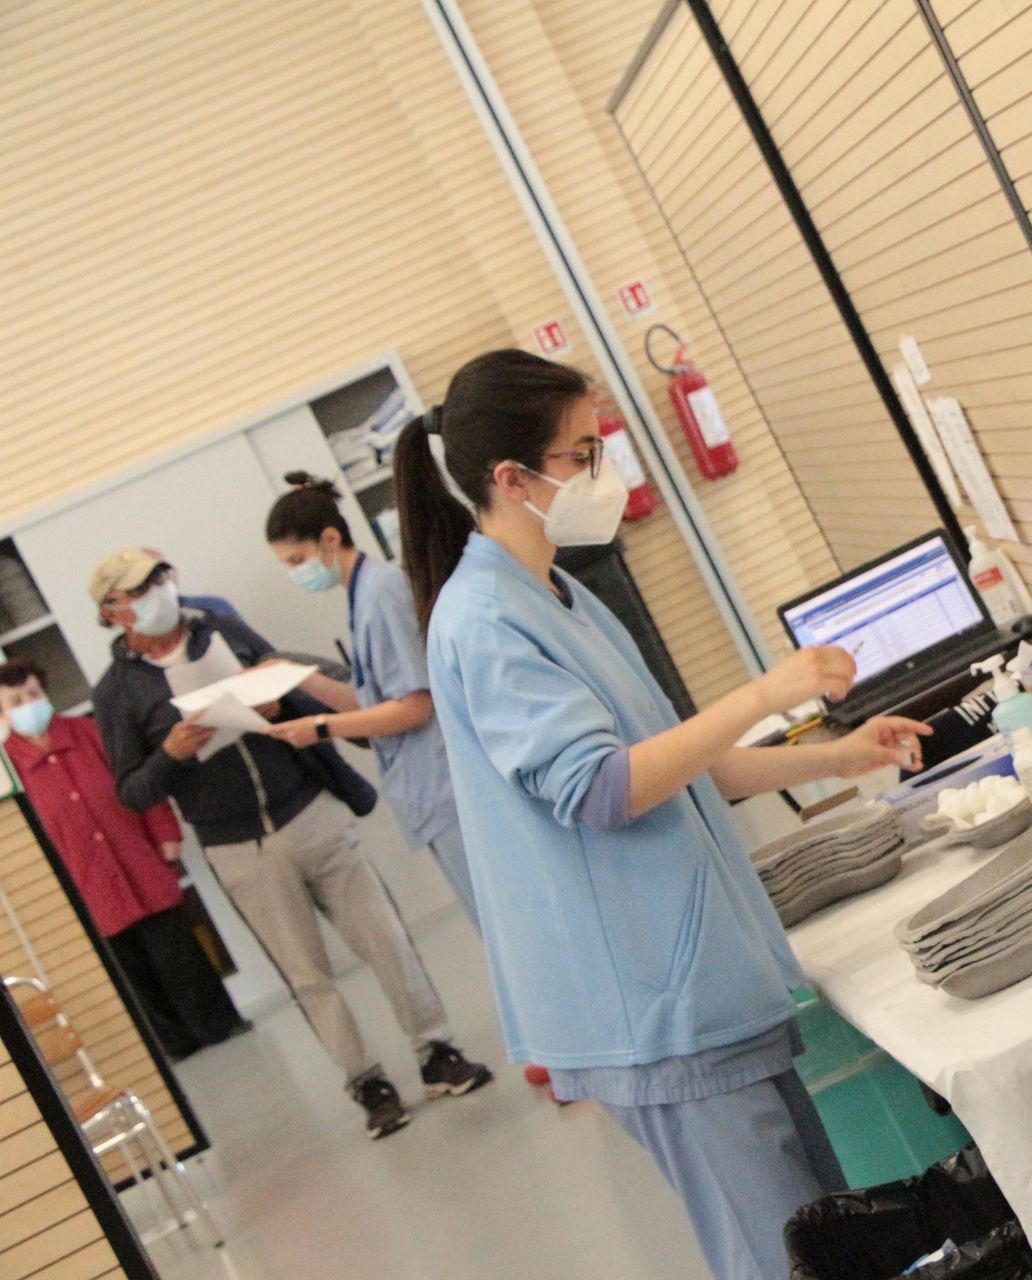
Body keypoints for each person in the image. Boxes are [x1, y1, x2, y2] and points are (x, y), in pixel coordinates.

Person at [392, 349, 933, 1280]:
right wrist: (762, 692)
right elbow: (605, 789)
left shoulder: (560, 595)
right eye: (582, 455)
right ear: (511, 479)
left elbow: (676, 765)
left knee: (826, 1245)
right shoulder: (483, 620)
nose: (601, 473)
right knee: (779, 1257)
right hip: (650, 1007)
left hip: (701, 982)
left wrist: (839, 755)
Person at [87, 548, 493, 1138]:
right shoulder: (116, 692)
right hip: (238, 848)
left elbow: (289, 681)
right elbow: (132, 791)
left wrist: (280, 702)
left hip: (308, 809)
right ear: (113, 612)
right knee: (308, 975)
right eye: (139, 589)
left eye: (159, 577)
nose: (158, 592)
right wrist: (170, 754)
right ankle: (367, 1083)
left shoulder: (219, 622)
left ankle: (437, 1051)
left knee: (385, 938)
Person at [0, 658, 248, 1059]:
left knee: (177, 950)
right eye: (16, 701)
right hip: (85, 881)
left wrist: (165, 832)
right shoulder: (9, 768)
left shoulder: (90, 731)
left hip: (137, 857)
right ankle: (174, 1044)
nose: (29, 704)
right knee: (131, 970)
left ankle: (218, 1025)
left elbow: (138, 782)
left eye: (34, 693)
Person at [261, 474, 477, 923]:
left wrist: (321, 727)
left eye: (297, 560)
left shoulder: (380, 593)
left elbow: (416, 705)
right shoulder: (362, 596)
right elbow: (373, 703)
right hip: (433, 792)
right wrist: (298, 677)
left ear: (330, 539)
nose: (295, 573)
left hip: (451, 789)